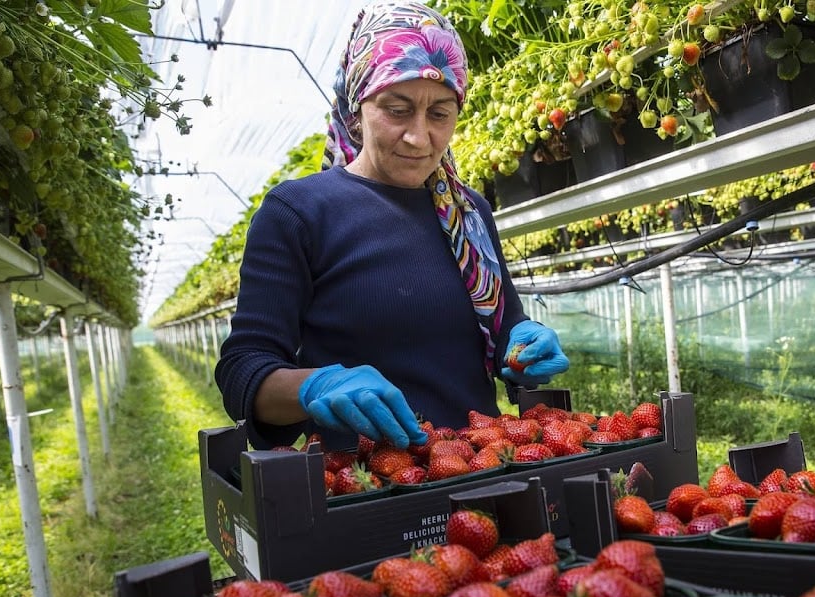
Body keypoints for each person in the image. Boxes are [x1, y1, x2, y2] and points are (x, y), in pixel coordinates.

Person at [214, 1, 569, 451]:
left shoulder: (469, 215)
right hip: (365, 487)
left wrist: (521, 346)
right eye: (397, 110)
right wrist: (313, 387)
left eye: (440, 113)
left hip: (484, 471)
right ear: (356, 106)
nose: (419, 137)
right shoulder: (299, 212)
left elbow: (503, 334)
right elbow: (243, 369)